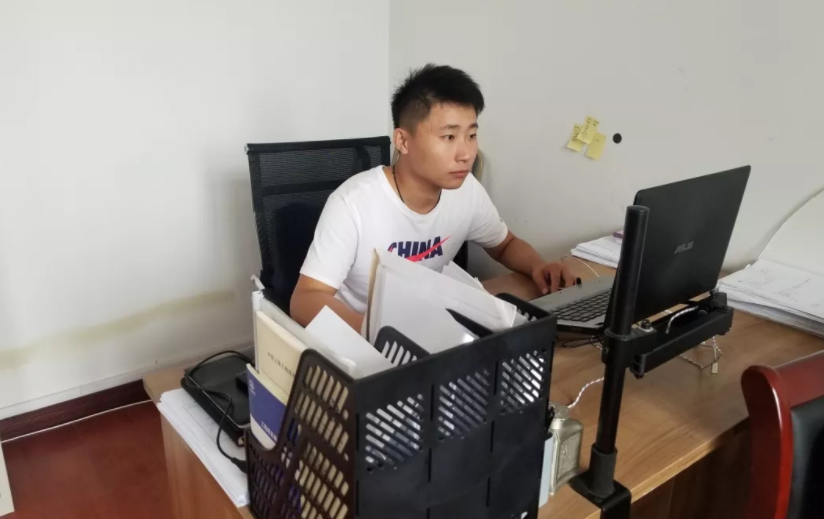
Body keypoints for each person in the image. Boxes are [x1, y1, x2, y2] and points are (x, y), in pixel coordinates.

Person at [291, 64, 574, 330]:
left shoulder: (467, 190)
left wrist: (538, 266)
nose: (466, 154)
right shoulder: (353, 204)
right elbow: (305, 299)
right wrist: (375, 333)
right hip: (360, 336)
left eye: (471, 135)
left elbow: (504, 244)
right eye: (449, 137)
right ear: (403, 141)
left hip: (428, 325)